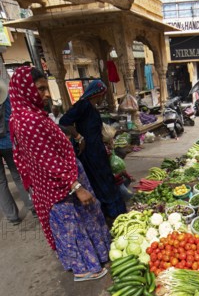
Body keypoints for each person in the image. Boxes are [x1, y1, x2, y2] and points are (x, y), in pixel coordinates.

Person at [9, 66, 110, 281]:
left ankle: (96, 256)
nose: (46, 94)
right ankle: (85, 269)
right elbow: (48, 161)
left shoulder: (26, 115)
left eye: (46, 88)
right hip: (58, 185)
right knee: (72, 226)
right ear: (25, 90)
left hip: (57, 181)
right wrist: (76, 187)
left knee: (81, 219)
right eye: (40, 89)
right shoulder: (30, 121)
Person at [59, 80, 126, 221]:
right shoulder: (83, 105)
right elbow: (64, 121)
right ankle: (111, 214)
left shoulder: (91, 107)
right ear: (97, 94)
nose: (103, 98)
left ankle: (113, 213)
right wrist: (78, 137)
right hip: (90, 152)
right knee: (101, 181)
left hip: (98, 150)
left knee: (105, 180)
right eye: (103, 95)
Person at [0, 79, 36, 224]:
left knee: (1, 182)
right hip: (9, 142)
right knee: (18, 175)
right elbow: (14, 117)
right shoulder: (7, 99)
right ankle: (32, 206)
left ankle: (12, 216)